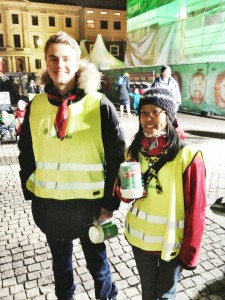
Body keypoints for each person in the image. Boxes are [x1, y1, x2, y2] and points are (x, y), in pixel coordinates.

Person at [18, 31, 126, 300]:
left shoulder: (99, 105)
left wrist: (110, 203)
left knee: (98, 268)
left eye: (66, 58)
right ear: (46, 61)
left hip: (90, 207)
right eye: (53, 58)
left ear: (78, 61)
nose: (60, 65)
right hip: (51, 206)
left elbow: (117, 157)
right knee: (62, 269)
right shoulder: (36, 106)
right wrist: (33, 195)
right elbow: (26, 153)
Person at [121, 88, 206, 300]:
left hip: (171, 244)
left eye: (155, 112)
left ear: (168, 115)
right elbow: (125, 196)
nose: (148, 118)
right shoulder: (133, 151)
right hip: (140, 240)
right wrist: (124, 188)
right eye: (143, 113)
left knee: (166, 295)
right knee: (148, 294)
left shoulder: (188, 155)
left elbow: (197, 209)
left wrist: (190, 254)